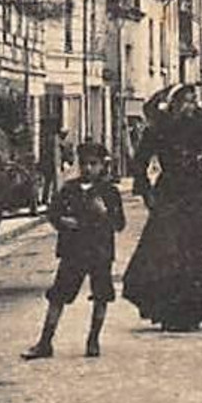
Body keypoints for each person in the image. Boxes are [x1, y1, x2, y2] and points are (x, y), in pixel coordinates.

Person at [121, 86, 202, 331]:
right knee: (163, 253)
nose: (191, 106)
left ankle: (192, 312)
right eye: (186, 101)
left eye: (193, 101)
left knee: (193, 254)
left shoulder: (200, 126)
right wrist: (145, 192)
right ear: (174, 103)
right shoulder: (158, 128)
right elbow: (140, 161)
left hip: (195, 194)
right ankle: (166, 311)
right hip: (169, 193)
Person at [22, 142, 125, 359]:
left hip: (100, 252)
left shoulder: (109, 192)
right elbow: (53, 213)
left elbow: (119, 224)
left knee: (101, 296)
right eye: (84, 164)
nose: (88, 168)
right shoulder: (69, 189)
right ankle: (45, 342)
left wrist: (104, 212)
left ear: (102, 166)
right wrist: (62, 221)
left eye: (93, 164)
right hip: (73, 252)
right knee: (58, 296)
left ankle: (93, 340)